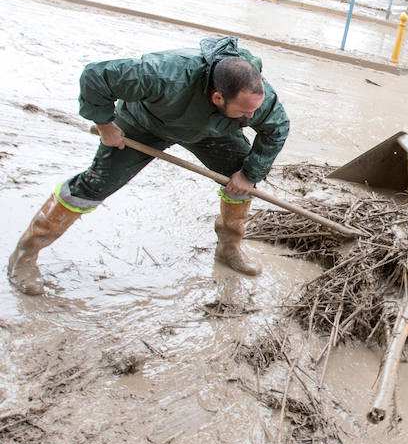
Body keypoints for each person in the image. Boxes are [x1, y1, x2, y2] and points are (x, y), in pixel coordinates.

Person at [8, 36, 290, 296]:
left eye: (255, 109)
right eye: (245, 112)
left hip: (209, 132)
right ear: (218, 97)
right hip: (143, 124)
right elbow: (97, 75)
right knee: (94, 185)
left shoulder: (256, 98)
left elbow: (277, 128)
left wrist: (249, 174)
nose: (253, 116)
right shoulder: (164, 74)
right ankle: (26, 252)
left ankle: (229, 249)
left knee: (242, 181)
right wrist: (105, 125)